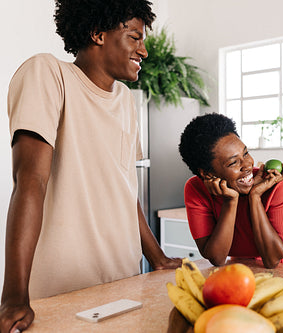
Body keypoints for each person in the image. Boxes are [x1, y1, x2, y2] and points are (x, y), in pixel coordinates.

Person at [1, 1, 181, 331]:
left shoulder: (126, 100)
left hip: (125, 282)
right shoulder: (48, 73)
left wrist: (156, 257)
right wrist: (14, 296)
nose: (143, 50)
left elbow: (125, 189)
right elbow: (30, 181)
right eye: (134, 37)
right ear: (98, 33)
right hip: (63, 291)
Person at [178, 113, 283, 269]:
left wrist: (254, 196)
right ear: (207, 174)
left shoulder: (273, 183)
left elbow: (272, 260)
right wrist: (231, 201)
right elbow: (217, 258)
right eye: (233, 162)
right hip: (242, 262)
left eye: (246, 153)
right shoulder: (195, 189)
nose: (247, 165)